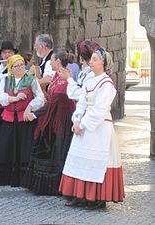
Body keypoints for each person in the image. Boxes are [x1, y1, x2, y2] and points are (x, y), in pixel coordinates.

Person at [59, 48, 125, 209]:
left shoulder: (107, 84)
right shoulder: (89, 81)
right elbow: (82, 101)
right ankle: (80, 195)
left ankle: (97, 197)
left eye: (95, 59)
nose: (91, 62)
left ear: (103, 63)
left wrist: (83, 124)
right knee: (79, 159)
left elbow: (100, 109)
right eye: (92, 59)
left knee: (97, 162)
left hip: (98, 128)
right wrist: (76, 119)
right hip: (84, 125)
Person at [21, 51, 75, 195]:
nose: (50, 63)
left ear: (58, 61)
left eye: (52, 60)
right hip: (51, 119)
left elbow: (54, 103)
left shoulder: (66, 79)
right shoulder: (58, 76)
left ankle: (59, 185)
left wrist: (34, 114)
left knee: (58, 151)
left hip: (61, 121)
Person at [0, 54, 45, 187]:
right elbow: (1, 96)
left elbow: (40, 97)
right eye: (16, 66)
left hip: (24, 119)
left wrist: (30, 107)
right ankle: (6, 177)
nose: (20, 68)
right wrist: (14, 98)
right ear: (11, 67)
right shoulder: (6, 79)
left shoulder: (31, 79)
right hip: (9, 118)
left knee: (24, 148)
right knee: (6, 147)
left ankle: (24, 179)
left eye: (22, 65)